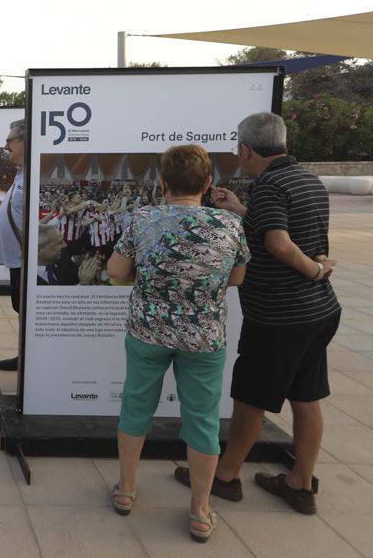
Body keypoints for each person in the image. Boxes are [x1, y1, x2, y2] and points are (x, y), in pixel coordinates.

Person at [177, 112, 341, 516]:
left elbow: (280, 243)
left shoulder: (268, 184)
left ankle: (226, 476)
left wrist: (314, 270)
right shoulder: (306, 179)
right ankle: (300, 483)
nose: (239, 158)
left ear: (248, 150)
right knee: (307, 396)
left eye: (239, 152)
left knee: (250, 398)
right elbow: (285, 229)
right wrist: (239, 210)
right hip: (317, 311)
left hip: (279, 315)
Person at [106, 144, 249, 543]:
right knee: (202, 420)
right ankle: (200, 512)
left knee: (136, 405)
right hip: (204, 337)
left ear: (162, 181)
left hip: (148, 331)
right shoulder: (230, 225)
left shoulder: (143, 219)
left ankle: (125, 490)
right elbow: (236, 279)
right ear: (208, 184)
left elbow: (116, 269)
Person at [0, 120, 27, 371]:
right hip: (16, 256)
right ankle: (25, 355)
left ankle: (27, 358)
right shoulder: (21, 173)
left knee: (23, 306)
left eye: (10, 140)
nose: (6, 146)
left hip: (25, 257)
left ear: (24, 142)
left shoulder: (35, 174)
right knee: (19, 305)